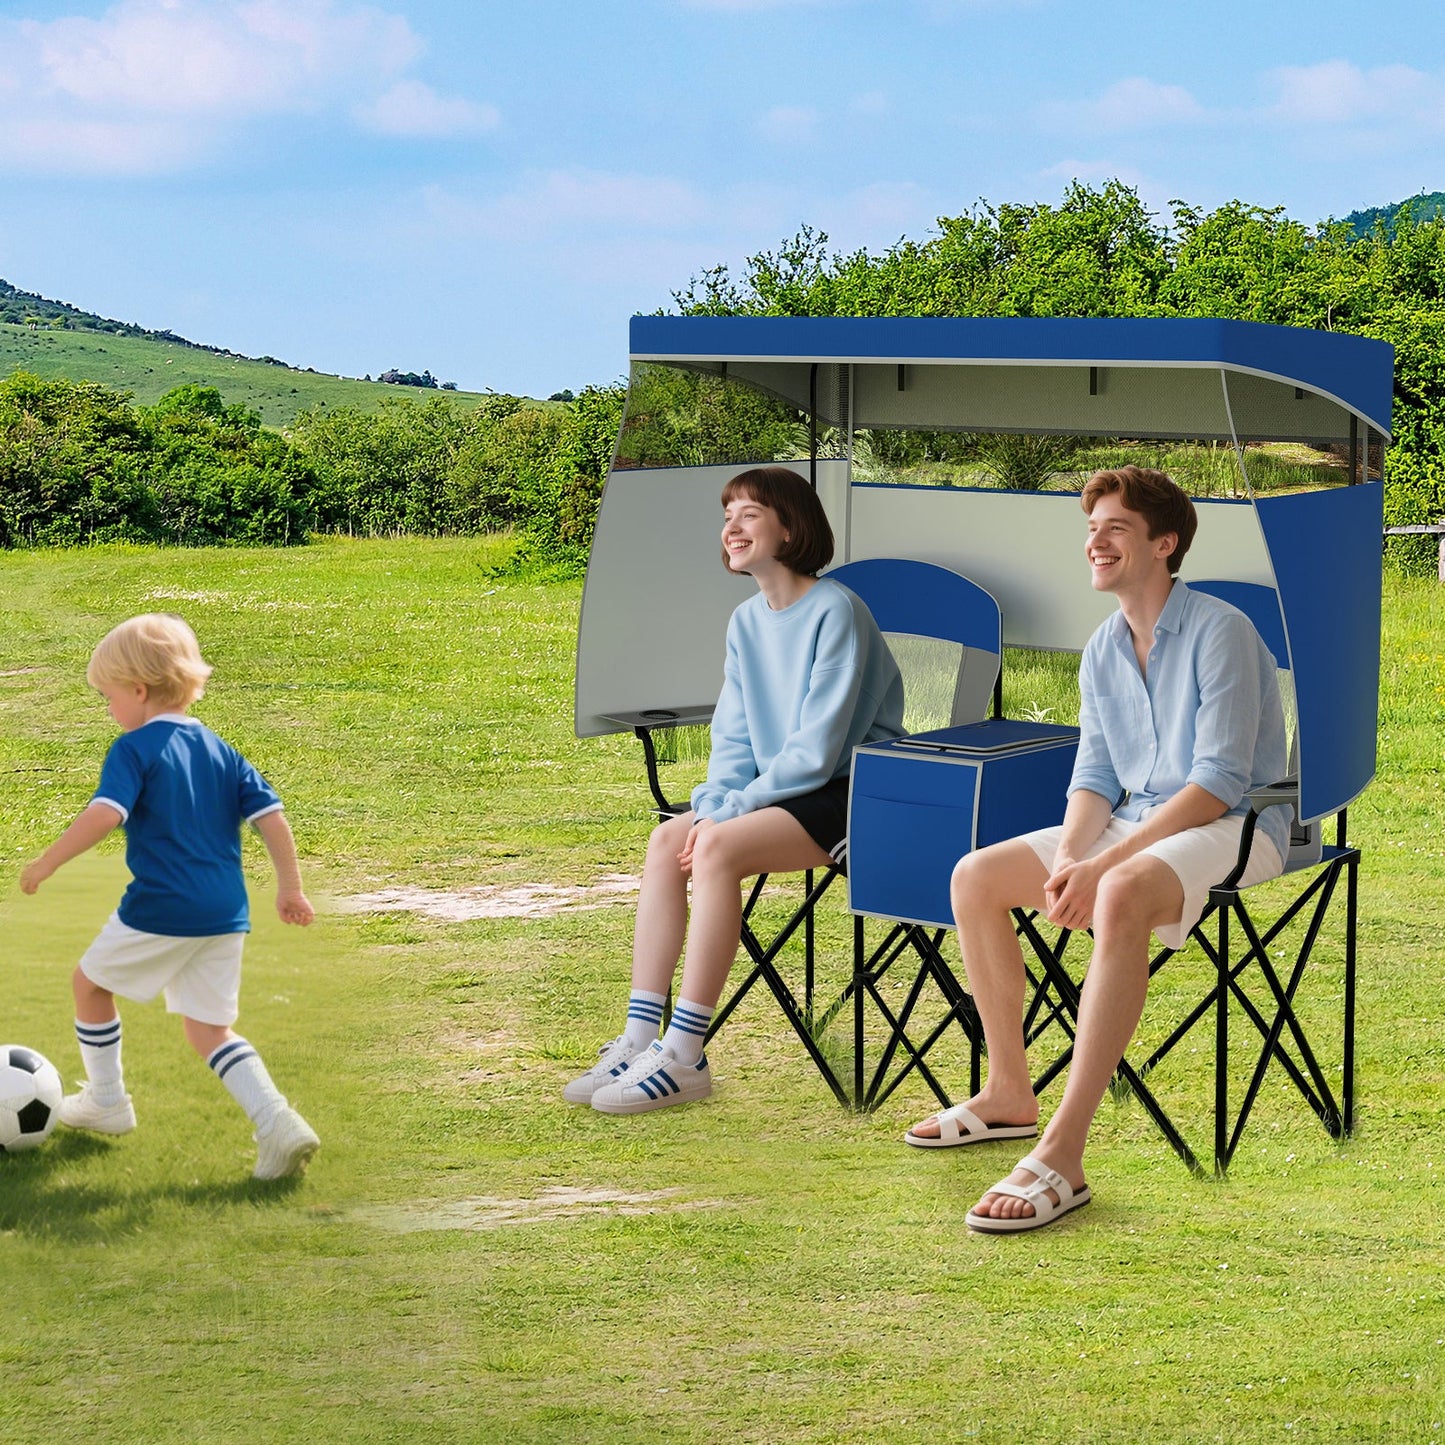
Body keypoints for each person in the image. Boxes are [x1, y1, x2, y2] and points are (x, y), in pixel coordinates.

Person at [905, 465, 1288, 1232]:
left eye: (1113, 528)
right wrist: (1075, 856)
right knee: (974, 876)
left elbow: (1217, 783)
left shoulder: (1220, 630)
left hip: (1235, 825)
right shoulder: (1102, 647)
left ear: (1163, 544)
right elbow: (1095, 776)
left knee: (1116, 892)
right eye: (1090, 530)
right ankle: (1008, 1089)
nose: (1095, 542)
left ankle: (1063, 1151)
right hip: (1137, 820)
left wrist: (1103, 867)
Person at [566, 465, 905, 1115]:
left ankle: (685, 1053)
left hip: (857, 789)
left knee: (714, 847)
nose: (731, 526)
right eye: (727, 516)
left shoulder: (836, 610)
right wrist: (713, 803)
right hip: (787, 791)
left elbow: (819, 748)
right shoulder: (747, 620)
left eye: (749, 513)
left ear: (789, 526)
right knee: (668, 839)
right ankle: (640, 1036)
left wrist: (727, 815)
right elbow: (735, 739)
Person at [20, 613, 320, 1181]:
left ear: (137, 690)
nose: (108, 709)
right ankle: (278, 1123)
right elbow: (273, 818)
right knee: (208, 1031)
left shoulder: (133, 748)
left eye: (107, 697)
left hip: (163, 906)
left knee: (89, 984)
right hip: (226, 912)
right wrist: (290, 888)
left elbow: (107, 813)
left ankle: (107, 1100)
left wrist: (48, 860)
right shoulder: (219, 749)